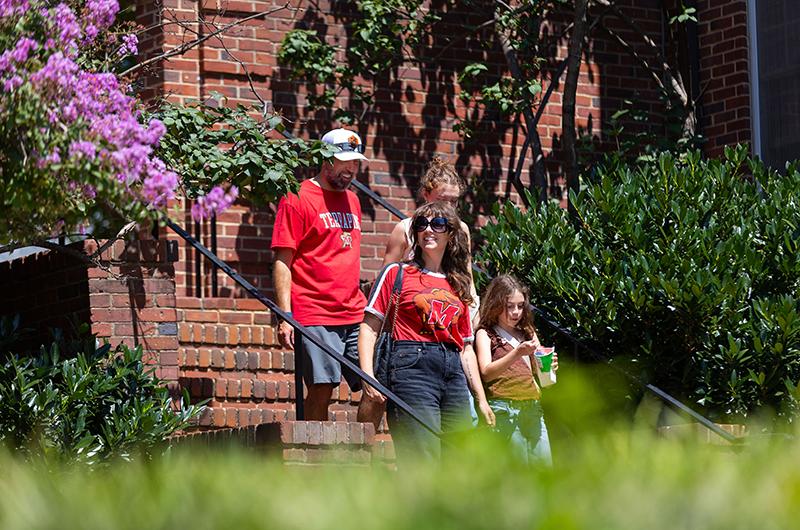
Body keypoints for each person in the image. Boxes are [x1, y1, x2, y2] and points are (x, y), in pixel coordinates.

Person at [358, 201, 495, 462]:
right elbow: (369, 328)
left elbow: (465, 348)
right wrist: (368, 377)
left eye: (438, 224)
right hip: (411, 368)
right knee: (422, 460)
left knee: (462, 460)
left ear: (451, 233)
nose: (428, 230)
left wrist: (481, 399)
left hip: (453, 371)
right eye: (422, 224)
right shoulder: (397, 273)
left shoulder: (459, 283)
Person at [359, 157, 481, 429]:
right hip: (407, 333)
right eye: (442, 199)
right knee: (383, 402)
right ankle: (363, 449)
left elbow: (466, 275)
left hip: (448, 328)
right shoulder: (405, 229)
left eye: (454, 201)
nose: (449, 207)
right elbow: (386, 283)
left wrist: (473, 309)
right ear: (426, 195)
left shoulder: (460, 229)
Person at [271, 127, 369, 421]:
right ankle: (313, 457)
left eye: (355, 162)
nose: (351, 169)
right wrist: (285, 316)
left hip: (354, 311)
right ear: (325, 159)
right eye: (345, 161)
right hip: (314, 311)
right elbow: (282, 261)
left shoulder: (353, 201)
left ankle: (364, 455)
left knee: (377, 387)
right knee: (322, 388)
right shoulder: (297, 197)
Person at [475, 274, 558, 465]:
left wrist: (549, 367)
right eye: (510, 306)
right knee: (517, 472)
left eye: (520, 306)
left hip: (533, 407)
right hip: (506, 409)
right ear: (496, 305)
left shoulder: (527, 332)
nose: (516, 312)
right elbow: (486, 373)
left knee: (544, 469)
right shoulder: (486, 334)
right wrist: (516, 353)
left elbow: (537, 369)